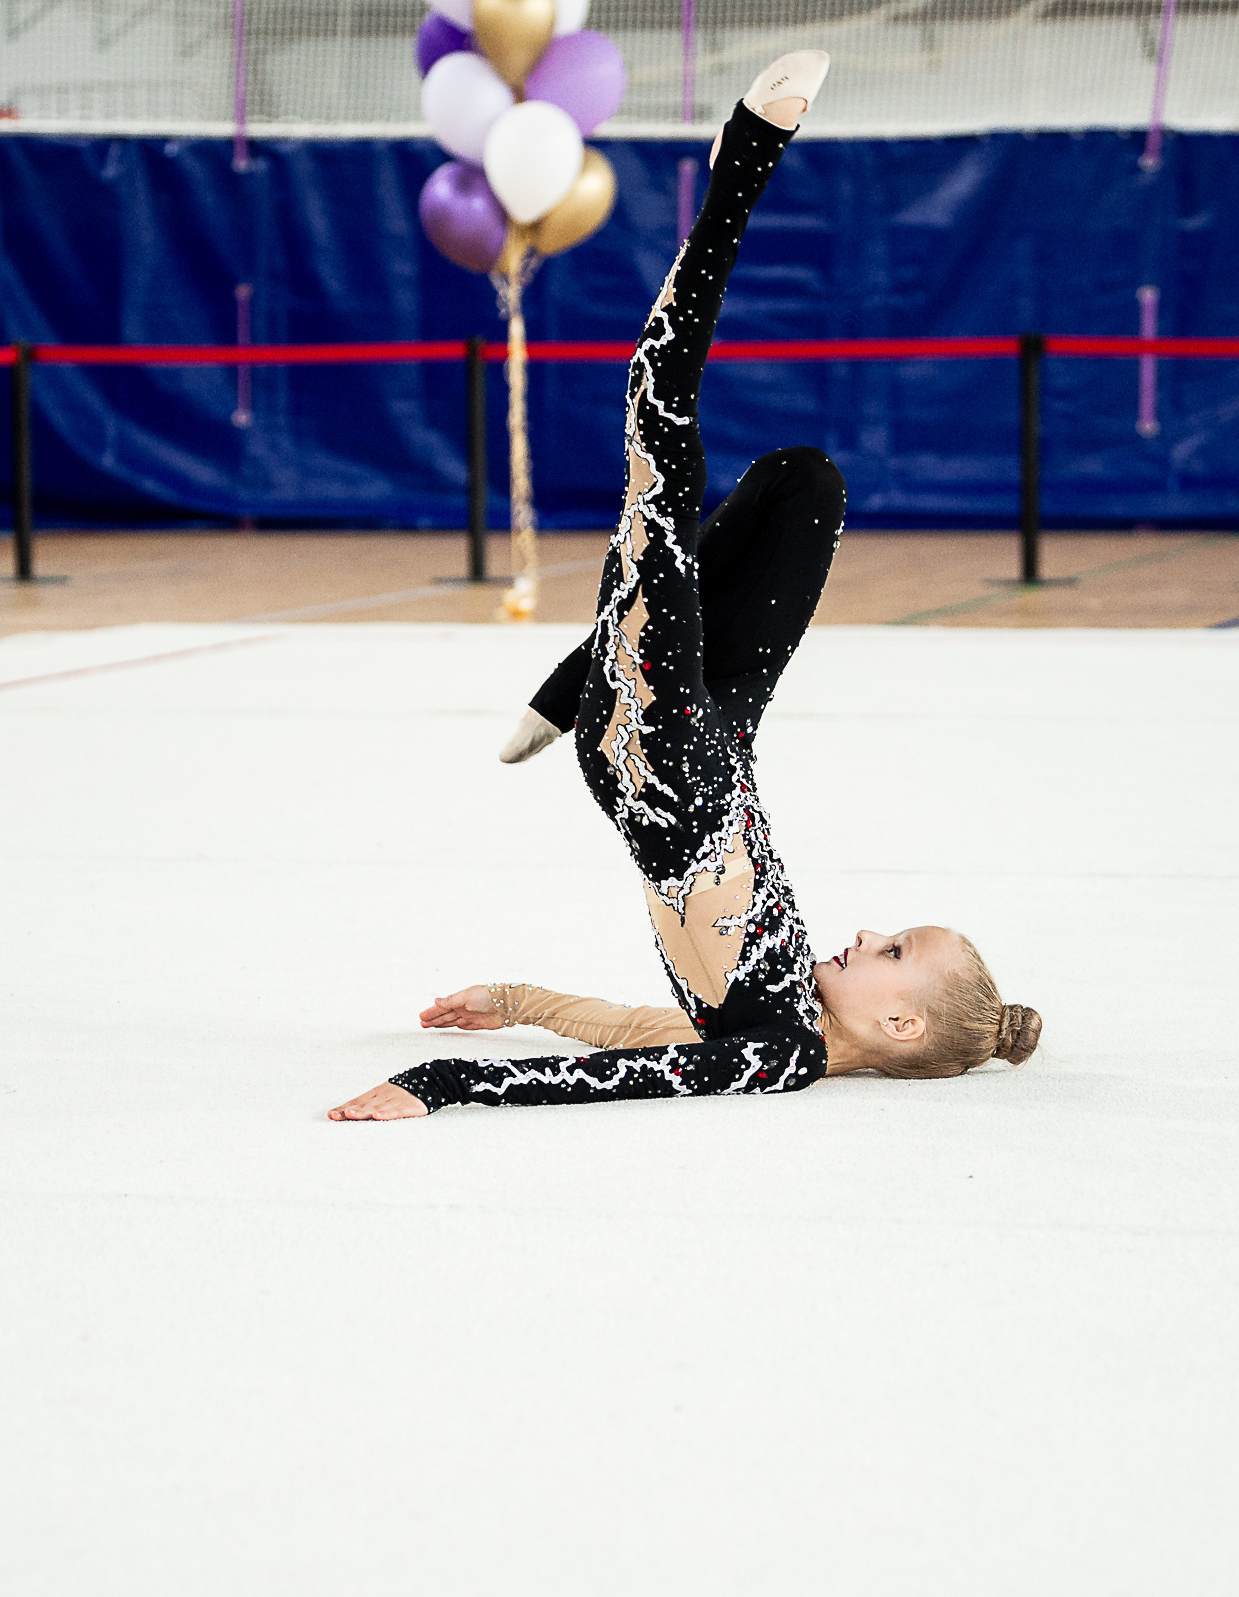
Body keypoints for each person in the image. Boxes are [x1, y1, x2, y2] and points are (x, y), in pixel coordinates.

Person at [331, 53, 1040, 1121]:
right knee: (807, 482)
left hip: (649, 739)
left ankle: (743, 168)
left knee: (660, 421)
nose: (868, 932)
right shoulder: (792, 1012)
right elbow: (649, 1026)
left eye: (893, 949)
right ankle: (580, 663)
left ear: (900, 1025)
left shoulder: (778, 1051)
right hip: (722, 744)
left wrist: (441, 1083)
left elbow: (630, 1066)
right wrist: (514, 997)